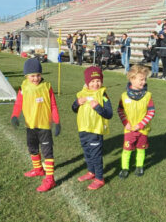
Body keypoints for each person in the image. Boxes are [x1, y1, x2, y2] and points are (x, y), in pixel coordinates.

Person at [10, 58, 61, 192]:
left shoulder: (47, 87)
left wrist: (57, 122)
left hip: (44, 126)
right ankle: (38, 169)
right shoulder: (23, 87)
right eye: (32, 75)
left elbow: (53, 105)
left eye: (38, 75)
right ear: (26, 76)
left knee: (47, 152)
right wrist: (14, 116)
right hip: (30, 125)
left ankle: (50, 179)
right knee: (32, 148)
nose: (35, 78)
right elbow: (18, 103)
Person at [72, 66, 113, 190]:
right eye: (92, 81)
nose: (96, 84)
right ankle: (91, 172)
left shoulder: (103, 95)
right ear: (86, 82)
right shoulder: (81, 93)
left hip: (95, 130)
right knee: (87, 153)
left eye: (98, 81)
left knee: (96, 155)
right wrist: (77, 103)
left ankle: (99, 178)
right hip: (83, 129)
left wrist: (98, 107)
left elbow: (109, 114)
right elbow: (74, 109)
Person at [118, 65, 155, 179]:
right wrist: (126, 123)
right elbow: (120, 110)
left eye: (145, 79)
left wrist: (140, 125)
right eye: (141, 79)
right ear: (132, 79)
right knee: (127, 150)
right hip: (129, 129)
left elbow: (151, 112)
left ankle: (139, 166)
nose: (144, 82)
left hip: (142, 129)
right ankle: (125, 168)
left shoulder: (147, 96)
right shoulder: (124, 96)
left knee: (141, 149)